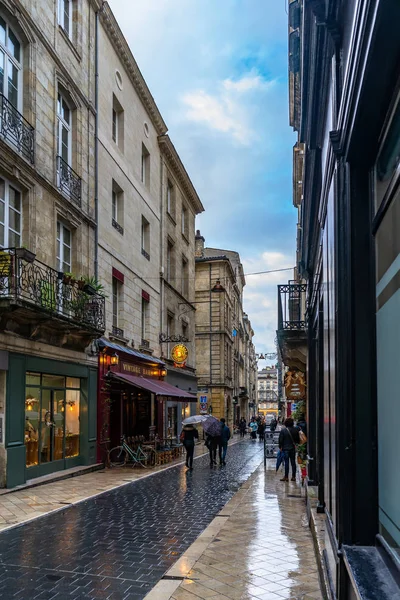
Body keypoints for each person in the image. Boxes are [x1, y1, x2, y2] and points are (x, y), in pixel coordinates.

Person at [278, 417, 300, 482]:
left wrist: (280, 447)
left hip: (285, 449)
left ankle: (286, 477)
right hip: (292, 448)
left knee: (286, 462)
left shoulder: (283, 430)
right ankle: (293, 477)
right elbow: (297, 440)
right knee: (293, 462)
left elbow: (280, 440)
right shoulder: (296, 429)